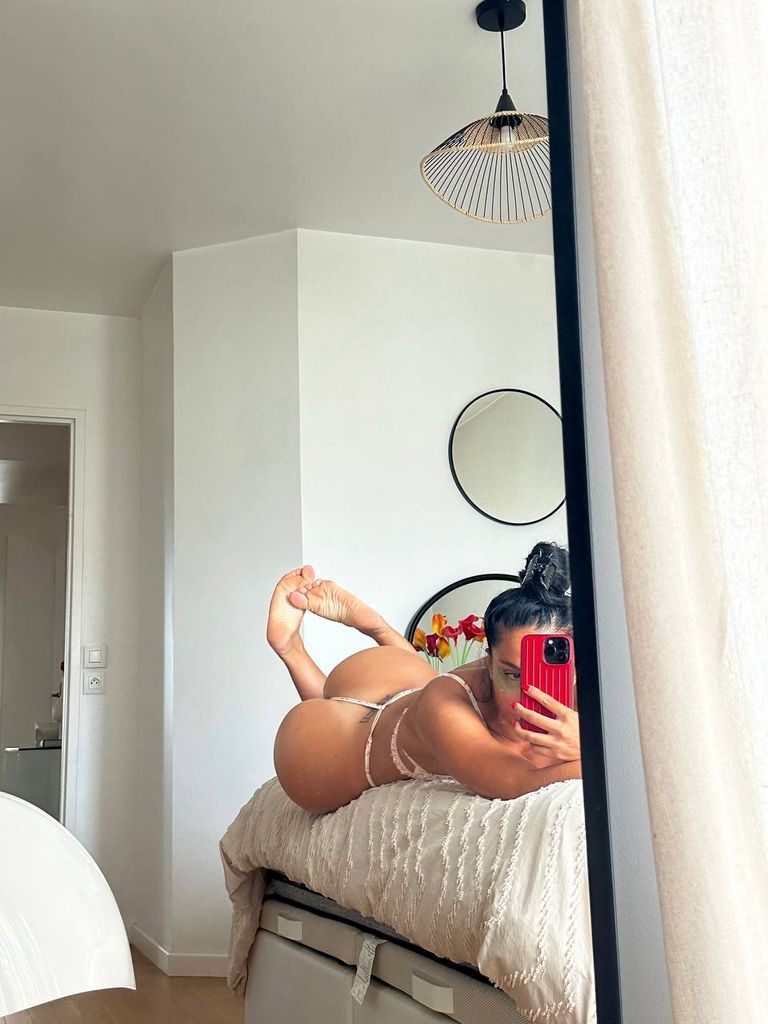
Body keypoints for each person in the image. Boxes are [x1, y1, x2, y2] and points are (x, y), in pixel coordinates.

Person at [269, 542, 581, 813]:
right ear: (488, 660)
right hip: (347, 742)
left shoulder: (586, 689)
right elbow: (516, 781)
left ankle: (377, 628)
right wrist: (591, 750)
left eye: (549, 668)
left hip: (402, 678)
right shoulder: (445, 701)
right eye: (512, 673)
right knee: (429, 696)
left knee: (426, 686)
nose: (529, 691)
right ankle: (290, 647)